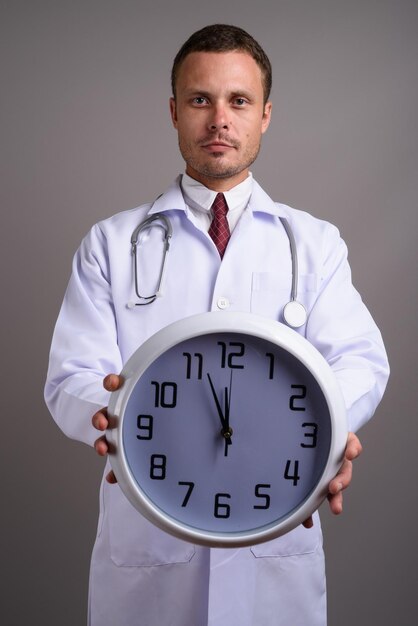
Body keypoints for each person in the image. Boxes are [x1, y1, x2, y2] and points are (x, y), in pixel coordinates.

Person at [45, 24, 389, 626]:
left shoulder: (313, 244)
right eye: (201, 100)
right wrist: (107, 417)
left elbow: (360, 362)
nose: (219, 120)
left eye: (239, 101)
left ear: (265, 115)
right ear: (174, 112)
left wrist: (330, 433)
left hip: (276, 535)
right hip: (150, 541)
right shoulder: (112, 242)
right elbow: (71, 376)